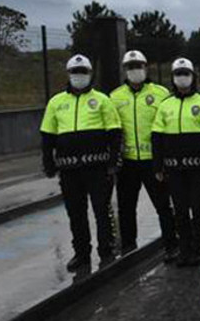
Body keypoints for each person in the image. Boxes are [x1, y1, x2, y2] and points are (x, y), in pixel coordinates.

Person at [40, 54, 122, 271]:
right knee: (76, 214)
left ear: (90, 74)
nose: (79, 76)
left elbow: (114, 133)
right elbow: (47, 135)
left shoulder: (103, 100)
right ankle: (81, 254)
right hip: (69, 170)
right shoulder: (56, 102)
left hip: (97, 168)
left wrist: (114, 161)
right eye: (75, 72)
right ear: (68, 74)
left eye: (83, 72)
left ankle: (106, 249)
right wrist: (48, 161)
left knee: (102, 211)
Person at [110, 50, 177, 260]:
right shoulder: (115, 96)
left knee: (164, 206)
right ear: (124, 70)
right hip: (128, 163)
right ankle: (128, 248)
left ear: (146, 67)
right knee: (126, 208)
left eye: (138, 66)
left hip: (153, 162)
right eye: (130, 67)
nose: (135, 70)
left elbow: (169, 125)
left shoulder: (161, 93)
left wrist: (166, 158)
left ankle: (171, 245)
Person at [152, 58, 200, 266]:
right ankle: (184, 249)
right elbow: (157, 138)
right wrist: (158, 166)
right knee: (180, 210)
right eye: (179, 73)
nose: (182, 77)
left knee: (197, 208)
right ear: (173, 78)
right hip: (173, 169)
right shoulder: (165, 105)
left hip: (198, 168)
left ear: (193, 76)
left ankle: (197, 249)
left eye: (186, 73)